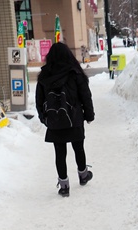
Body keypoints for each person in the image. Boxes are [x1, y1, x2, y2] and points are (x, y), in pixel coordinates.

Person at [35, 42, 95, 197]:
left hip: (55, 121)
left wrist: (45, 118)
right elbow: (85, 96)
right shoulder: (75, 73)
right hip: (74, 118)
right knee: (78, 148)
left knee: (59, 153)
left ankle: (64, 186)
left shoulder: (44, 76)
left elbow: (39, 101)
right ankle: (83, 175)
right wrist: (89, 115)